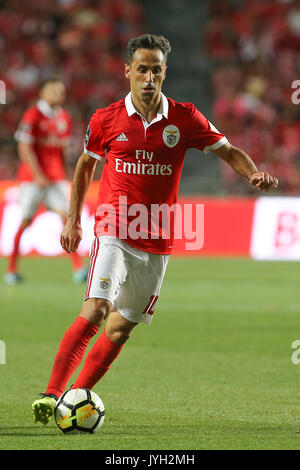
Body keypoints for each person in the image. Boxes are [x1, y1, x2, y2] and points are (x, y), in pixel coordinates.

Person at [32, 34, 278, 425]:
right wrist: (73, 219)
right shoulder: (106, 118)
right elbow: (85, 165)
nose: (149, 77)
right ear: (127, 71)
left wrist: (253, 174)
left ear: (165, 73)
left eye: (156, 70)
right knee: (97, 309)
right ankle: (51, 393)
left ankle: (76, 396)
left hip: (158, 238)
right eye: (142, 69)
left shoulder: (185, 118)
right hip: (114, 228)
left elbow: (227, 150)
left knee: (121, 327)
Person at [4, 79, 88, 285]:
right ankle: (12, 269)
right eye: (52, 90)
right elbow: (24, 147)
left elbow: (61, 150)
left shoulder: (64, 118)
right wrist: (37, 174)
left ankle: (78, 268)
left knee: (67, 219)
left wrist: (67, 174)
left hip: (56, 177)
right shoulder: (32, 115)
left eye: (60, 91)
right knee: (26, 221)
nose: (57, 94)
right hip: (32, 179)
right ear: (41, 93)